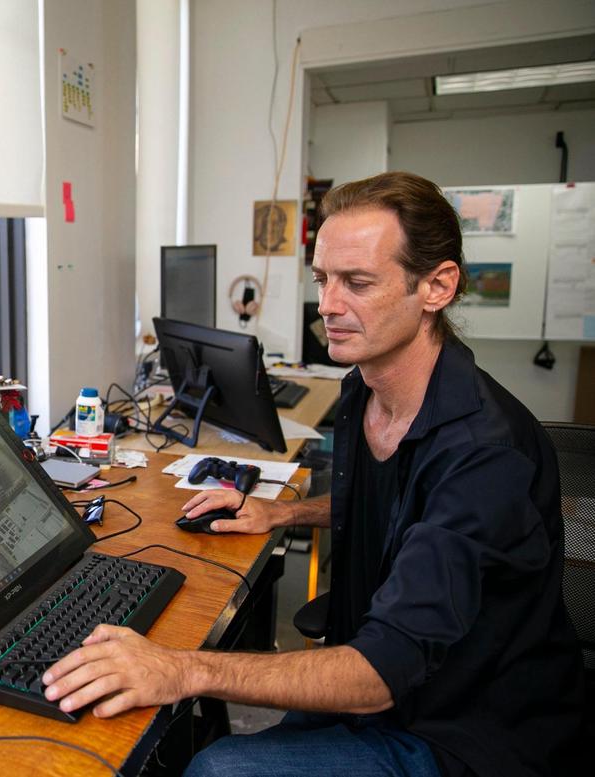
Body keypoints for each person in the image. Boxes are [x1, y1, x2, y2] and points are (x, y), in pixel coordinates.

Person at [42, 172, 582, 776]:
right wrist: (284, 512)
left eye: (357, 282)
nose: (327, 305)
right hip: (388, 685)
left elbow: (380, 674)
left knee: (217, 769)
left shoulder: (485, 453)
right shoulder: (363, 390)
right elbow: (399, 500)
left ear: (437, 286)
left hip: (465, 731)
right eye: (323, 279)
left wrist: (182, 668)